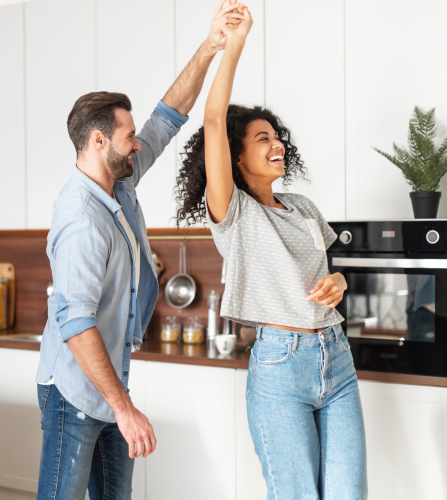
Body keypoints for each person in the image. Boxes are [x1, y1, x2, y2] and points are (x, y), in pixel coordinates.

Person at [34, 3, 246, 499]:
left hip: (110, 384)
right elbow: (75, 323)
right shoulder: (81, 220)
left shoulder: (119, 181)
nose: (138, 145)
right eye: (128, 138)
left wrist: (213, 43)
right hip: (75, 393)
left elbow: (168, 116)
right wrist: (124, 408)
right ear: (98, 140)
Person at [175, 3, 368, 499]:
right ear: (236, 158)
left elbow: (335, 271)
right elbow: (214, 119)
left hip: (336, 357)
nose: (277, 142)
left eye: (277, 135)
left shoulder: (302, 206)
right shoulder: (233, 212)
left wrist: (340, 282)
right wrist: (233, 45)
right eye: (263, 138)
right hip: (281, 368)